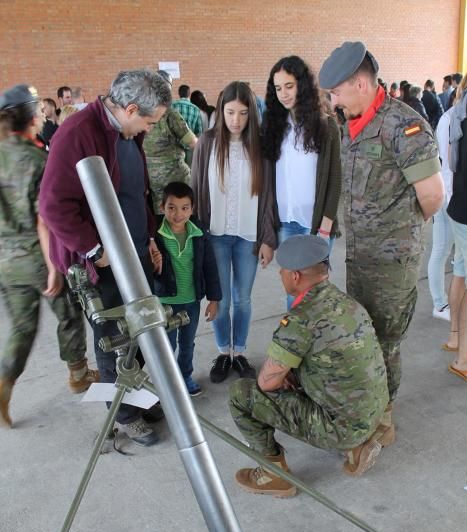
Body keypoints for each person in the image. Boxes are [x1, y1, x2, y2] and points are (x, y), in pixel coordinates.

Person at [39, 69, 171, 446]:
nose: (151, 127)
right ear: (130, 109)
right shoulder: (78, 133)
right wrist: (95, 251)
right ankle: (126, 413)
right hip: (102, 262)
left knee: (142, 327)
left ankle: (140, 398)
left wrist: (148, 237)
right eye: (149, 120)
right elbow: (53, 206)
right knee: (113, 336)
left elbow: (135, 192)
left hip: (134, 250)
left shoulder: (128, 134)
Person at [319, 41, 444, 438]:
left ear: (359, 83)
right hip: (359, 257)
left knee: (385, 341)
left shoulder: (403, 126)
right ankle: (368, 404)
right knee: (363, 335)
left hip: (391, 264)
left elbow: (433, 197)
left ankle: (383, 416)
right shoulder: (353, 125)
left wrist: (398, 234)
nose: (334, 102)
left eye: (336, 92)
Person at [229, 235, 390, 497]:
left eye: (282, 270)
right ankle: (359, 445)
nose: (280, 274)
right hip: (374, 412)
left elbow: (266, 384)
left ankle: (273, 475)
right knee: (299, 373)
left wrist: (284, 376)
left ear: (294, 276)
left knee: (242, 394)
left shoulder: (301, 320)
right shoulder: (347, 302)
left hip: (342, 427)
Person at [0, 84, 98, 427]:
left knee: (22, 328)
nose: (44, 116)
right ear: (29, 117)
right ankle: (77, 374)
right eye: (39, 113)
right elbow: (47, 218)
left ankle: (5, 380)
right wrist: (55, 267)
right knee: (69, 312)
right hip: (38, 258)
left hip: (5, 262)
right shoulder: (38, 159)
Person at [191, 80, 278, 383]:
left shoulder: (260, 149)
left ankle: (239, 352)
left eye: (243, 113)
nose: (236, 120)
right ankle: (222, 352)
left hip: (248, 237)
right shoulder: (206, 144)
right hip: (214, 235)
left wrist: (268, 238)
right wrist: (195, 236)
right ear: (220, 111)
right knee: (221, 299)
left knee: (242, 299)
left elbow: (268, 197)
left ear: (251, 115)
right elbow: (196, 190)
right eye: (230, 112)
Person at [261, 55, 342, 306]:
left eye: (289, 86)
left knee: (316, 292)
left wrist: (325, 227)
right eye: (278, 88)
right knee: (292, 291)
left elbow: (335, 180)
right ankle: (295, 343)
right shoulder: (274, 127)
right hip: (286, 223)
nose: (283, 94)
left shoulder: (326, 126)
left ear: (302, 85)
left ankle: (317, 343)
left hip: (316, 225)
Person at [153, 181, 221, 396]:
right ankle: (167, 381)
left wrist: (214, 299)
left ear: (192, 209)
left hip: (191, 301)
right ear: (162, 207)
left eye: (184, 208)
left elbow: (209, 266)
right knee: (167, 346)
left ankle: (185, 376)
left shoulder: (199, 232)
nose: (178, 214)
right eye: (171, 207)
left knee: (187, 343)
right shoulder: (155, 235)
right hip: (166, 303)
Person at [144, 71, 198, 211]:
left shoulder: (141, 113)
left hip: (151, 177)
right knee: (182, 214)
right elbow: (193, 143)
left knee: (161, 213)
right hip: (175, 177)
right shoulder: (169, 115)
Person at [446, 74, 467, 380]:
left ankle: (455, 340)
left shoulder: (458, 112)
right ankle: (464, 360)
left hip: (459, 207)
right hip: (464, 211)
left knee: (461, 272)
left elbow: (452, 163)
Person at [428, 104, 453, 321]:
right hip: (449, 197)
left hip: (453, 195)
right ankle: (440, 304)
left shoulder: (451, 117)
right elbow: (447, 162)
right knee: (441, 251)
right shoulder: (449, 119)